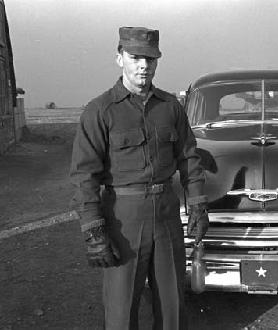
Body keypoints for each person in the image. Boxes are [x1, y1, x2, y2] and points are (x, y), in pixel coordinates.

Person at [70, 26, 209, 330]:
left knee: (172, 303)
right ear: (119, 58)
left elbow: (189, 158)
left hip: (167, 214)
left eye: (150, 58)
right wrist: (93, 230)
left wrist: (198, 204)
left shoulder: (171, 106)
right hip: (123, 216)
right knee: (121, 308)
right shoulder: (100, 111)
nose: (143, 65)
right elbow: (84, 176)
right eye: (135, 57)